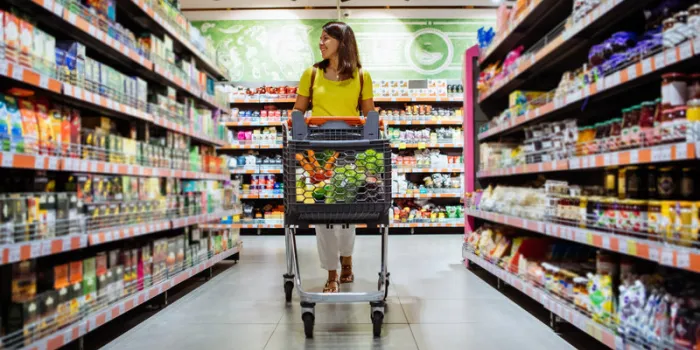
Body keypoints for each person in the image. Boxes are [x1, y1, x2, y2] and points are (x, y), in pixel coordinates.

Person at [292, 21, 375, 293]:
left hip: (350, 151)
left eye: (326, 38)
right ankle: (331, 273)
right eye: (320, 39)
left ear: (342, 41)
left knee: (346, 213)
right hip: (318, 152)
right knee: (322, 215)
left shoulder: (362, 76)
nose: (321, 43)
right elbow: (297, 113)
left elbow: (369, 116)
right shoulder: (311, 74)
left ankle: (347, 260)